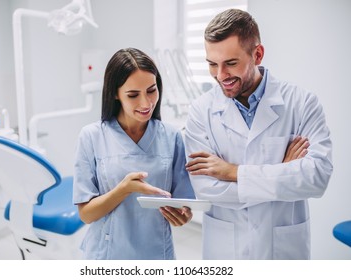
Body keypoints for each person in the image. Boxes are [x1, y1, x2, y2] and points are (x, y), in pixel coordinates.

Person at [184, 9, 333, 260]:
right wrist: (282, 171)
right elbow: (206, 188)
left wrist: (233, 172)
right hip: (225, 250)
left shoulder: (302, 103)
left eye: (231, 63)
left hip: (283, 250)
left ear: (258, 54)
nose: (220, 76)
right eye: (212, 64)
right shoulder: (201, 111)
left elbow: (317, 177)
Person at [73, 47, 195, 260]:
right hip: (108, 255)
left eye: (151, 90)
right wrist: (123, 190)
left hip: (156, 252)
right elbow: (86, 214)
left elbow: (184, 204)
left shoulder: (172, 137)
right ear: (115, 93)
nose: (146, 103)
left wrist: (184, 215)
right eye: (133, 95)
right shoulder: (91, 137)